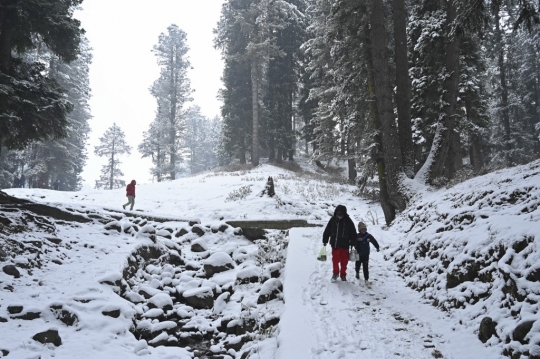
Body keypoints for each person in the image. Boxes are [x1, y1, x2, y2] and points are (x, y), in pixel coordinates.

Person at [322, 205, 357, 282]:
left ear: (344, 214)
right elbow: (327, 231)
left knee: (344, 262)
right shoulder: (332, 220)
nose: (339, 217)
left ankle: (343, 274)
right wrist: (325, 240)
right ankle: (335, 273)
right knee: (335, 260)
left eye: (341, 215)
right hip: (335, 245)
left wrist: (353, 242)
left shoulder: (348, 221)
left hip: (345, 245)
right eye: (338, 215)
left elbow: (353, 232)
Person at [354, 222, 380, 286]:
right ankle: (357, 272)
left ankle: (366, 279)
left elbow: (374, 241)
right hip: (358, 253)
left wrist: (377, 247)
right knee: (358, 264)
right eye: (362, 229)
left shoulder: (368, 236)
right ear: (359, 230)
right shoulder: (357, 236)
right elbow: (352, 241)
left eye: (364, 229)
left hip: (366, 254)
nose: (363, 230)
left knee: (365, 267)